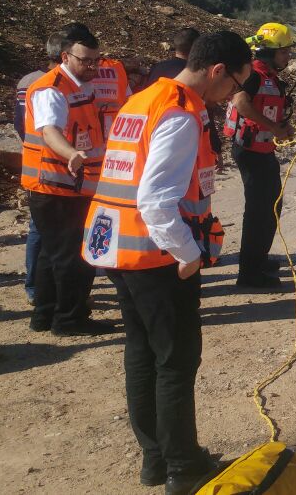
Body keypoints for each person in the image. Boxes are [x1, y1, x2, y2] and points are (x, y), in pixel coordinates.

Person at [82, 30, 250, 495]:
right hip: (157, 255)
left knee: (141, 351)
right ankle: (182, 467)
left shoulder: (143, 100)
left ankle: (155, 460)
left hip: (119, 248)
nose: (232, 95)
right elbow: (156, 201)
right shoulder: (178, 113)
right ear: (217, 70)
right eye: (235, 83)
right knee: (176, 359)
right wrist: (189, 254)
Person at [22, 23, 113, 335]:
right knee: (74, 257)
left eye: (96, 60)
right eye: (86, 61)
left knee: (52, 254)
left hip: (63, 184)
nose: (92, 67)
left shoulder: (78, 84)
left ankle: (45, 315)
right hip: (57, 184)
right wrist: (71, 154)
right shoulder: (52, 89)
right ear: (65, 56)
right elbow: (50, 131)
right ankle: (71, 319)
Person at [222, 23, 296, 290]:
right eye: (284, 52)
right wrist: (275, 128)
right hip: (250, 152)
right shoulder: (254, 74)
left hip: (262, 150)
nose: (288, 57)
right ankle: (249, 274)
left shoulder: (268, 75)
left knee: (272, 206)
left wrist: (281, 128)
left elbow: (265, 110)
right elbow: (241, 103)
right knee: (258, 212)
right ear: (269, 52)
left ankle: (258, 260)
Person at [16, 33, 64, 302]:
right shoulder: (52, 85)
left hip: (34, 163)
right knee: (45, 231)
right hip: (48, 168)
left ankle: (35, 287)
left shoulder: (26, 81)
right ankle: (38, 287)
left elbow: (19, 124)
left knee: (39, 230)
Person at [148, 28, 222, 154]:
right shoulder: (193, 74)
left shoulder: (158, 68)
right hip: (187, 140)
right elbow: (205, 112)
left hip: (153, 134)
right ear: (197, 48)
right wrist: (215, 147)